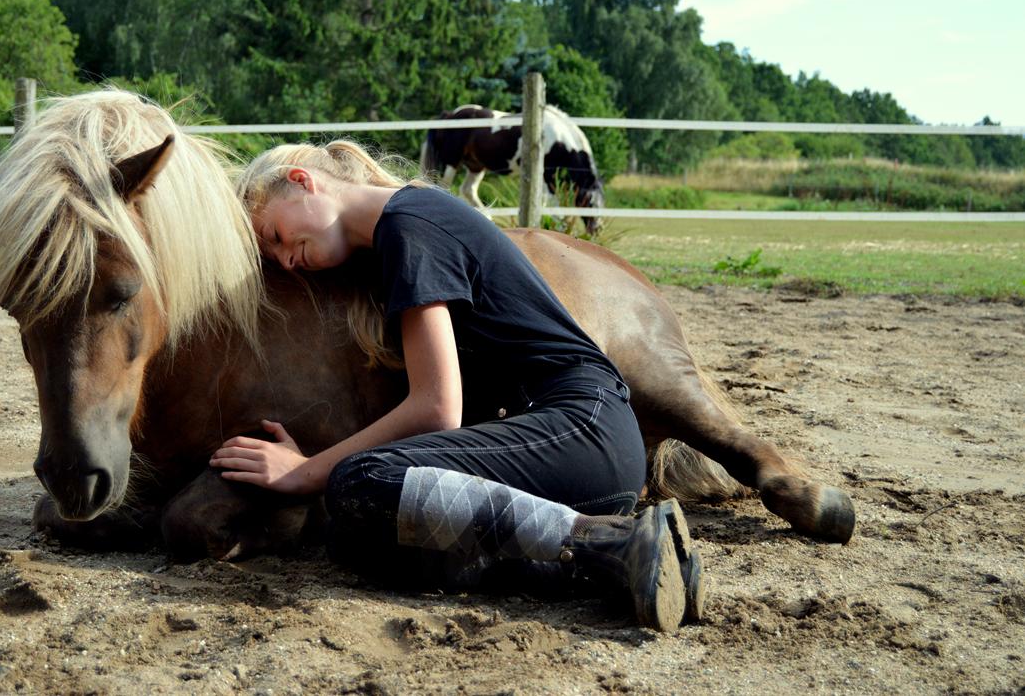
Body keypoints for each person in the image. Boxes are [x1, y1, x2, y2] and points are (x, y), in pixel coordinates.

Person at [209, 140, 706, 632]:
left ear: (302, 181)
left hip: (581, 428)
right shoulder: (398, 235)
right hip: (565, 451)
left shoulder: (409, 225)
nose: (283, 259)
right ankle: (622, 561)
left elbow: (437, 409)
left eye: (274, 234)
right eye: (271, 256)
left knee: (357, 481)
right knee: (355, 538)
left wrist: (306, 471)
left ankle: (612, 542)